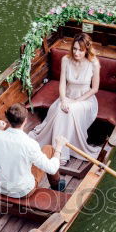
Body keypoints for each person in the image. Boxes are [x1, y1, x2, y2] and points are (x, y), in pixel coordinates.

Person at [29, 32, 101, 165]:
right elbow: (62, 83)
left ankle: (61, 152)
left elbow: (94, 89)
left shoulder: (94, 63)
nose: (77, 53)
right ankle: (58, 150)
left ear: (86, 49)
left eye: (80, 50)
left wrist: (75, 101)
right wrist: (63, 100)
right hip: (66, 96)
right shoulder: (66, 60)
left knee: (69, 111)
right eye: (74, 49)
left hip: (85, 101)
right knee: (60, 110)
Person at [0, 103, 68, 198]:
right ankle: (57, 186)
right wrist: (59, 147)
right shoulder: (30, 144)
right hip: (23, 191)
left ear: (7, 120)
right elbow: (52, 169)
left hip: (0, 187)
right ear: (25, 121)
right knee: (49, 149)